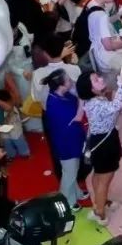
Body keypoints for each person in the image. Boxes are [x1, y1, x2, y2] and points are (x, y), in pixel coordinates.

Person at [77, 71, 122, 225]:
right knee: (104, 179)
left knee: (99, 176)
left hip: (102, 140)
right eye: (95, 80)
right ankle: (99, 213)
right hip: (105, 144)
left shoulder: (95, 99)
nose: (100, 79)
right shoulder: (96, 103)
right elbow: (116, 105)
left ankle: (101, 201)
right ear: (91, 89)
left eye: (97, 77)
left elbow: (112, 110)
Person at [43, 69, 87, 210]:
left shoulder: (63, 94)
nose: (71, 81)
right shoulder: (55, 105)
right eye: (68, 80)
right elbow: (78, 117)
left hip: (74, 139)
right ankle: (67, 201)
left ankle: (77, 193)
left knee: (73, 169)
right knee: (69, 173)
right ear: (61, 85)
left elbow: (74, 99)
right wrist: (82, 100)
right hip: (66, 144)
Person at [81, 0, 122, 78]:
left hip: (95, 50)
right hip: (104, 56)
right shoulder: (101, 15)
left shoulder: (91, 4)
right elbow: (108, 46)